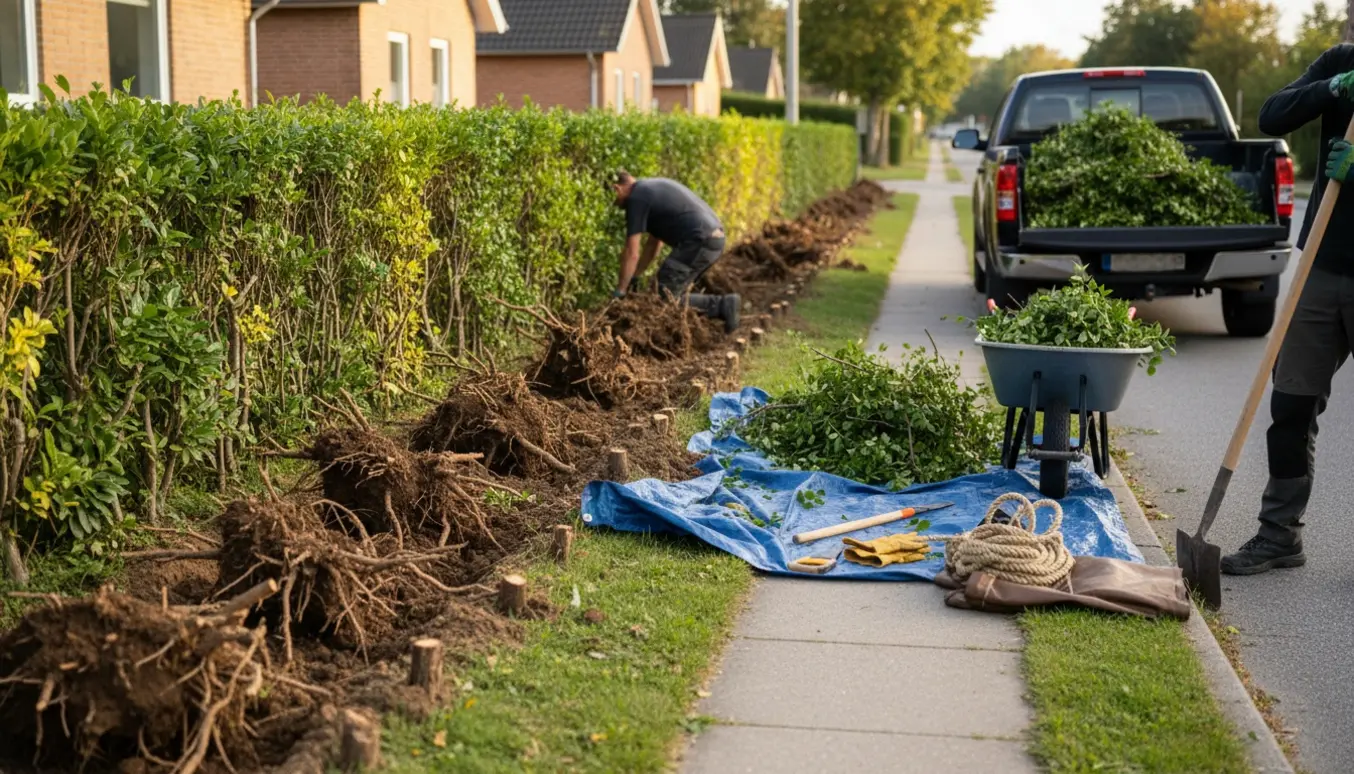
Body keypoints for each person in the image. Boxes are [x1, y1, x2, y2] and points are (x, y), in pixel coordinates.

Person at [1223, 45, 1354, 574]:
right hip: (1321, 267)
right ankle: (1279, 534)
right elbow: (1272, 113)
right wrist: (1334, 89)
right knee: (1291, 408)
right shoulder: (1338, 63)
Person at [611, 170, 741, 332]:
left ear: (617, 188)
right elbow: (653, 246)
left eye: (614, 201)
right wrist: (635, 277)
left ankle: (723, 305)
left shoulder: (636, 198)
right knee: (669, 292)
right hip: (712, 239)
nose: (617, 206)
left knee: (664, 296)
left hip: (699, 240)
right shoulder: (649, 190)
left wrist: (621, 290)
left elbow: (632, 251)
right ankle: (705, 324)